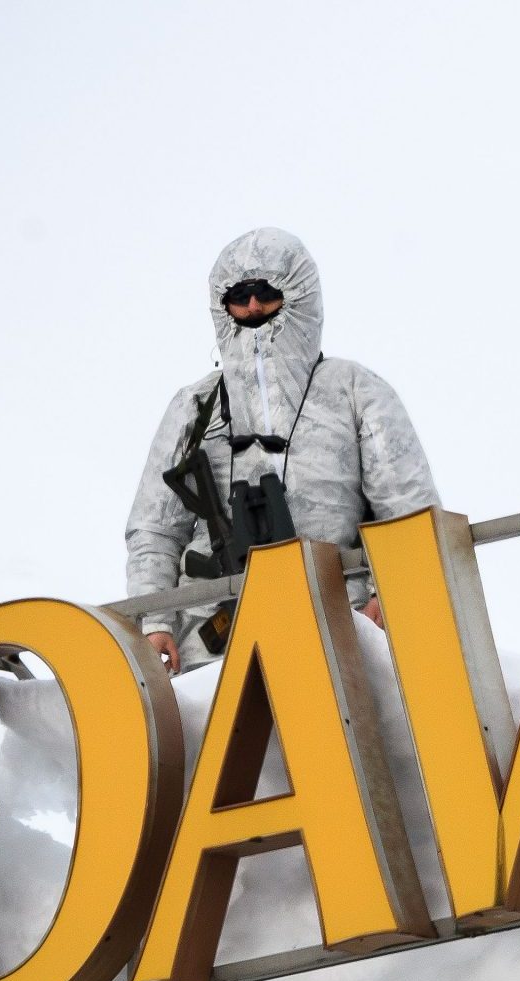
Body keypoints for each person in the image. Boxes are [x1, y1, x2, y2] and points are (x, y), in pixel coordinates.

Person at [125, 227, 441, 673]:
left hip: (341, 627)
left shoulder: (355, 390)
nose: (253, 305)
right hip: (212, 646)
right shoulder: (194, 407)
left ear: (298, 293)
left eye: (267, 291)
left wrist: (388, 596)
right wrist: (153, 620)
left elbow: (408, 510)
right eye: (240, 294)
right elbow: (154, 529)